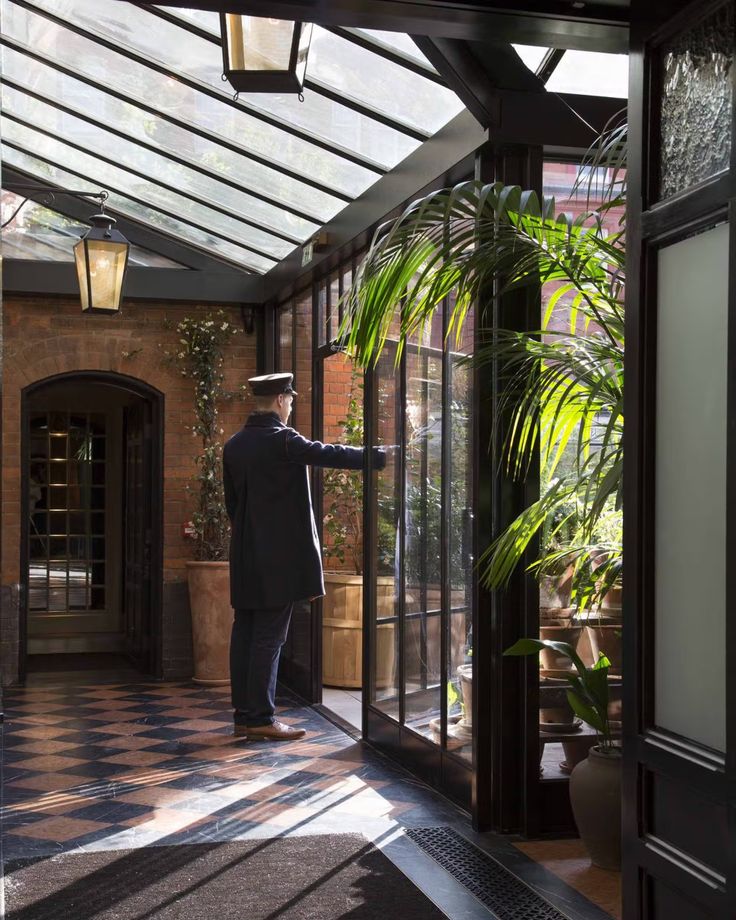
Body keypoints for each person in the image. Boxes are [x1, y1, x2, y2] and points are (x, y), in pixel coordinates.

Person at [223, 372, 386, 741]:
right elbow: (331, 454)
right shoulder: (282, 441)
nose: (291, 405)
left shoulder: (234, 445)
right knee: (269, 638)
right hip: (276, 563)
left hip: (245, 557)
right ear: (282, 399)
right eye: (291, 400)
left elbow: (231, 505)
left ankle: (244, 714)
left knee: (245, 634)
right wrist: (379, 457)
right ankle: (261, 719)